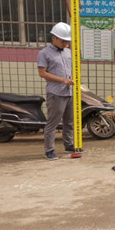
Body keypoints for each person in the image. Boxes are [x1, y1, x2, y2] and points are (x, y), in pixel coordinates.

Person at [38, 22, 79, 160]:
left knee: (69, 121)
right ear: (54, 37)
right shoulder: (44, 53)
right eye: (63, 40)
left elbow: (73, 69)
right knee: (53, 123)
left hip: (69, 92)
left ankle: (69, 144)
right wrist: (62, 80)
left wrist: (72, 78)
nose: (66, 43)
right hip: (56, 93)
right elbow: (42, 73)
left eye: (67, 41)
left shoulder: (69, 52)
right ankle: (49, 150)